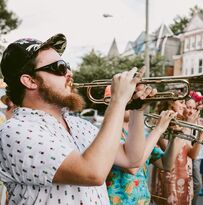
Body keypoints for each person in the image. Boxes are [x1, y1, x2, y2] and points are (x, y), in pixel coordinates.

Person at [0, 33, 157, 204]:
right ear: (30, 81)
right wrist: (118, 101)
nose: (69, 73)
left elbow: (131, 159)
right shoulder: (16, 131)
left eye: (66, 65)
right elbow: (92, 172)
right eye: (59, 67)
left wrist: (136, 110)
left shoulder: (79, 124)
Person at [151, 96, 203, 205]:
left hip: (184, 177)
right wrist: (187, 127)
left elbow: (192, 154)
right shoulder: (160, 121)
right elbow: (168, 150)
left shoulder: (182, 124)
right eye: (181, 102)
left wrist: (200, 135)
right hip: (168, 178)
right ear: (171, 103)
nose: (184, 106)